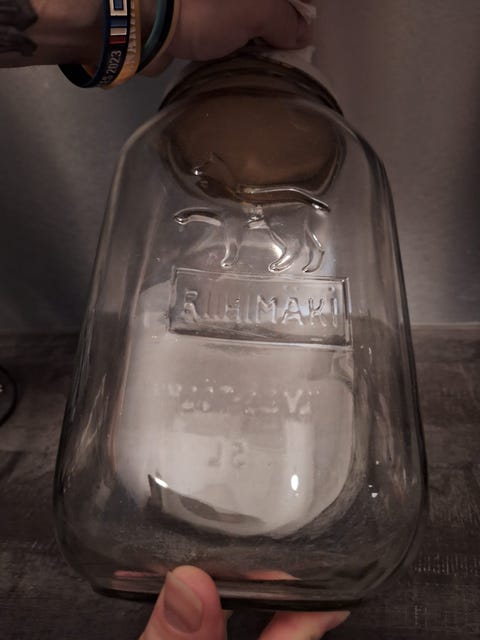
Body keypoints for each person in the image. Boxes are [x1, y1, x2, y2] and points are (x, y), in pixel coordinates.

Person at [1, 1, 350, 637]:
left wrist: (155, 14)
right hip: (180, 527)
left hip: (290, 527)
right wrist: (150, 13)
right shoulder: (153, 155)